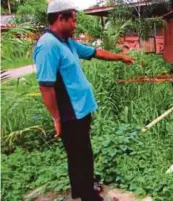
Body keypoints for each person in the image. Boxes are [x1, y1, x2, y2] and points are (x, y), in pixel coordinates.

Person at [33, 1, 134, 200]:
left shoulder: (66, 42)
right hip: (69, 113)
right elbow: (45, 86)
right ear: (61, 18)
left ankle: (82, 189)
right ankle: (88, 196)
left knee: (82, 152)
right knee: (79, 154)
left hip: (81, 109)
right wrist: (56, 118)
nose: (75, 25)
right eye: (73, 20)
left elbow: (95, 52)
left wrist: (121, 57)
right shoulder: (47, 45)